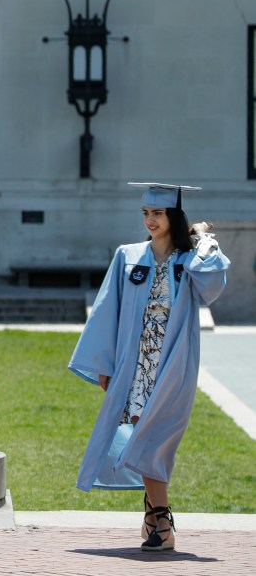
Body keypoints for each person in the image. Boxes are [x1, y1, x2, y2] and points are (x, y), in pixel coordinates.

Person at [68, 182, 230, 552]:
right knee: (143, 433)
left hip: (173, 360)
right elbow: (108, 311)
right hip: (134, 362)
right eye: (145, 213)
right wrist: (105, 364)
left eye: (157, 213)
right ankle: (160, 518)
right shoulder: (128, 256)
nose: (150, 220)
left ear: (173, 217)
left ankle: (156, 514)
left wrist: (206, 243)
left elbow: (213, 286)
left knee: (156, 435)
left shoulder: (188, 261)